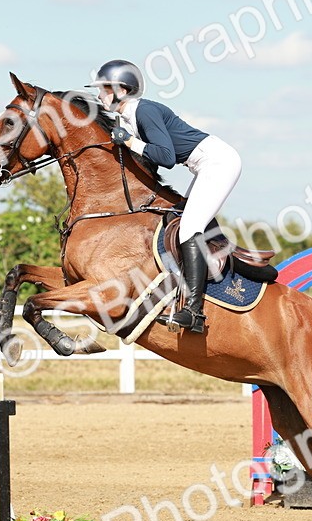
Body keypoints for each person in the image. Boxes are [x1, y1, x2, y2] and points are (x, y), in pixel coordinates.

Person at [86, 59, 241, 334]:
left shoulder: (144, 111)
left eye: (103, 89)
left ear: (121, 90)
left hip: (218, 162)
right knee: (176, 219)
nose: (99, 96)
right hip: (204, 165)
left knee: (189, 229)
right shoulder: (129, 117)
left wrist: (129, 141)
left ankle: (194, 312)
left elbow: (166, 157)